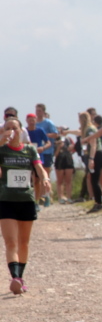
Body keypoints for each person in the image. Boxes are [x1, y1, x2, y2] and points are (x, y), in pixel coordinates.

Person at [0, 117, 52, 294]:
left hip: (26, 200)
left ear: (21, 131)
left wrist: (45, 178)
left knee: (24, 243)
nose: (11, 131)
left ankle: (20, 278)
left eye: (14, 128)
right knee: (10, 241)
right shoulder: (2, 150)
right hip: (6, 200)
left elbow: (39, 168)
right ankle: (15, 277)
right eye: (7, 128)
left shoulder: (29, 150)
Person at [78, 112, 102, 213]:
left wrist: (91, 159)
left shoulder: (90, 129)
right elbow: (78, 132)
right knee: (94, 179)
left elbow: (93, 144)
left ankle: (99, 203)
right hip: (96, 155)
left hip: (96, 155)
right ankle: (98, 201)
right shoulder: (88, 129)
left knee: (95, 180)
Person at [25, 113, 52, 208]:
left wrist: (43, 148)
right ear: (26, 120)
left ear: (36, 120)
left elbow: (48, 143)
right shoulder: (24, 131)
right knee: (29, 180)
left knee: (37, 180)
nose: (31, 122)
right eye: (30, 120)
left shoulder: (40, 130)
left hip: (38, 157)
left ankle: (38, 200)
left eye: (33, 120)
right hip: (26, 157)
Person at [34, 104, 57, 206]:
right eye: (36, 110)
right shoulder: (34, 123)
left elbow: (55, 134)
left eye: (39, 110)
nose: (37, 112)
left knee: (46, 174)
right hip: (36, 152)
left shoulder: (48, 123)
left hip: (47, 152)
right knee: (37, 176)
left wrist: (44, 135)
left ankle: (47, 195)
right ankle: (39, 196)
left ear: (43, 112)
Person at [53, 127, 76, 204]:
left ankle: (69, 197)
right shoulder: (55, 140)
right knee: (60, 181)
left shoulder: (69, 139)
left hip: (68, 159)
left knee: (68, 180)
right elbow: (55, 154)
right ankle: (60, 197)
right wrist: (59, 147)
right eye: (62, 130)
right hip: (59, 160)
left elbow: (73, 149)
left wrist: (71, 148)